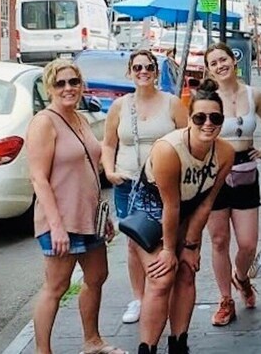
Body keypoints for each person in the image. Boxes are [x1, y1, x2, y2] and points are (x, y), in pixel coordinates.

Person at [129, 79, 234, 354]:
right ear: (189, 119)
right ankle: (147, 348)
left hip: (189, 210)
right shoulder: (169, 150)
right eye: (200, 117)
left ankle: (179, 344)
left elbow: (207, 201)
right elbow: (169, 205)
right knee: (162, 276)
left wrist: (189, 246)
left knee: (187, 270)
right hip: (151, 211)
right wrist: (167, 250)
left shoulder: (225, 153)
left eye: (215, 117)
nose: (207, 123)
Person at [26, 59, 123, 354]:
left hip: (89, 216)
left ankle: (92, 341)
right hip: (61, 220)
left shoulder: (80, 118)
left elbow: (90, 170)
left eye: (73, 82)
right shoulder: (45, 122)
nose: (68, 88)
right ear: (50, 87)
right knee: (56, 287)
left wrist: (103, 211)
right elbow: (38, 178)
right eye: (60, 83)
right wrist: (56, 226)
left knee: (96, 277)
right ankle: (43, 351)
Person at [101, 50, 188, 325]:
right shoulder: (120, 106)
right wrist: (109, 170)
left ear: (156, 72)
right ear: (129, 72)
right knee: (134, 242)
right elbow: (109, 143)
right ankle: (139, 297)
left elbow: (188, 139)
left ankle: (164, 291)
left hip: (165, 184)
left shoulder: (172, 104)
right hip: (128, 183)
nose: (143, 71)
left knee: (168, 238)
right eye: (137, 67)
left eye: (148, 67)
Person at [203, 42, 261, 326]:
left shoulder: (252, 94)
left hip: (246, 170)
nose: (220, 66)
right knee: (219, 240)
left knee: (247, 244)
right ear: (208, 69)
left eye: (224, 59)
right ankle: (225, 300)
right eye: (214, 63)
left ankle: (241, 277)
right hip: (215, 171)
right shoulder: (207, 99)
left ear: (234, 61)